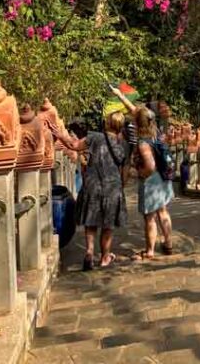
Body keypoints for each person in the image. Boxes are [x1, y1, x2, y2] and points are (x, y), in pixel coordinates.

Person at [72, 111, 128, 270]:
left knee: (91, 221)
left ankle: (89, 252)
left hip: (92, 183)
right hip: (113, 186)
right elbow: (125, 169)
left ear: (107, 123)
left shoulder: (95, 137)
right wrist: (121, 186)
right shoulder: (124, 144)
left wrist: (60, 134)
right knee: (107, 224)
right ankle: (105, 257)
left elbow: (74, 146)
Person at [133, 105, 175, 260]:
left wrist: (141, 174)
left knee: (149, 217)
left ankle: (150, 251)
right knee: (163, 212)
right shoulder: (156, 133)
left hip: (151, 182)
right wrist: (120, 96)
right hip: (163, 178)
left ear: (137, 123)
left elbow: (150, 165)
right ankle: (168, 243)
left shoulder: (143, 142)